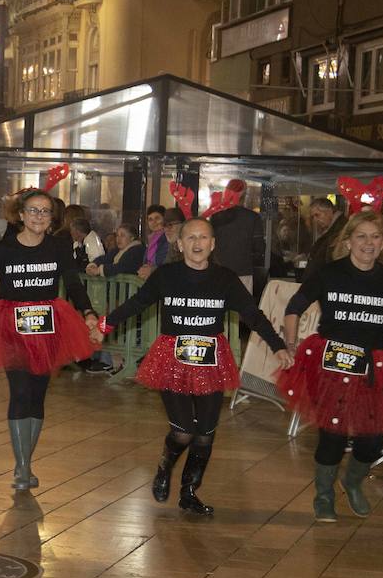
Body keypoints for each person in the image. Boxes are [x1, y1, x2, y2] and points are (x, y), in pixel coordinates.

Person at [100, 218, 292, 516]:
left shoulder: (225, 279)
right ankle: (165, 467)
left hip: (210, 362)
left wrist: (278, 345)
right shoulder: (166, 276)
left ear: (213, 244)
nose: (197, 243)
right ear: (180, 244)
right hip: (171, 360)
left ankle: (189, 492)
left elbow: (253, 315)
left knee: (205, 433)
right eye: (190, 238)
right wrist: (105, 324)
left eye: (203, 238)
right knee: (183, 432)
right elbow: (137, 303)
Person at [0, 189, 99, 491]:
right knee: (19, 392)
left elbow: (72, 282)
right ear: (21, 215)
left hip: (47, 327)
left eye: (45, 212)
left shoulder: (58, 247)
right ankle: (22, 467)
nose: (39, 217)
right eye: (33, 211)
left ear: (51, 217)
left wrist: (88, 311)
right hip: (11, 326)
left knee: (37, 395)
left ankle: (25, 462)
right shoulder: (5, 250)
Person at [279, 211, 383, 522]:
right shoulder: (330, 273)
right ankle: (323, 496)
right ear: (348, 241)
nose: (369, 243)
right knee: (332, 435)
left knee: (373, 439)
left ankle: (352, 483)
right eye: (361, 236)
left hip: (373, 366)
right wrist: (292, 344)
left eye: (376, 236)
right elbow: (295, 307)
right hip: (333, 363)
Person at [209, 179, 261, 293]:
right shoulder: (252, 217)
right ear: (245, 194)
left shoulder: (216, 216)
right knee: (242, 306)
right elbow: (259, 247)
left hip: (219, 271)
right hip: (243, 271)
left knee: (219, 306)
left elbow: (209, 244)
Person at [304, 196, 345, 279]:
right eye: (313, 217)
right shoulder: (331, 230)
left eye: (317, 215)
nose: (315, 220)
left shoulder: (340, 230)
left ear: (329, 211)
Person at [142, 204, 169, 271]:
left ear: (164, 219)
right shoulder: (151, 239)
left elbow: (162, 262)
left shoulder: (167, 237)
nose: (154, 222)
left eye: (157, 218)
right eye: (150, 219)